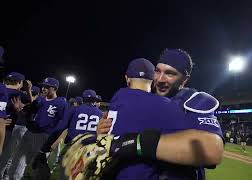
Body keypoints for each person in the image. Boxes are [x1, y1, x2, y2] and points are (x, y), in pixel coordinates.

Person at [97, 49, 224, 179]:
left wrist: (137, 143)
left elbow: (213, 150)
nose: (160, 79)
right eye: (157, 71)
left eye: (170, 73)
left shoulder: (194, 101)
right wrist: (103, 129)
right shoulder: (147, 98)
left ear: (184, 80)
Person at [32, 89, 103, 178]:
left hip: (73, 146)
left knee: (64, 174)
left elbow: (60, 128)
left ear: (83, 99)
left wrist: (45, 147)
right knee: (83, 175)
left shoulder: (75, 109)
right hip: (90, 149)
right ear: (94, 99)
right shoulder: (100, 114)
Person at [7, 77, 67, 179]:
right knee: (17, 161)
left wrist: (56, 142)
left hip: (45, 137)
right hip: (30, 133)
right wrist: (19, 110)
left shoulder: (61, 103)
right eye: (43, 86)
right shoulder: (39, 99)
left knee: (38, 167)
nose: (43, 88)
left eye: (47, 87)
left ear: (55, 88)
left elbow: (64, 125)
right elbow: (27, 114)